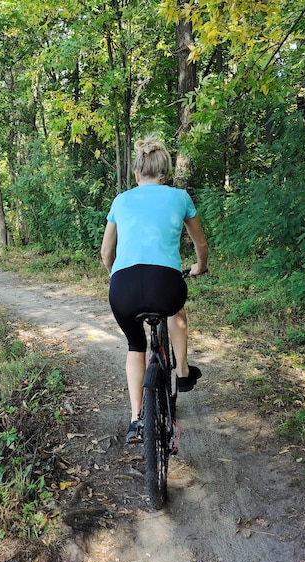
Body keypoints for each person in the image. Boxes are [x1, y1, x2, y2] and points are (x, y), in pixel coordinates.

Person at [101, 136, 209, 442]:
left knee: (136, 347)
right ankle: (183, 372)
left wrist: (116, 276)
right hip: (166, 283)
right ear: (166, 175)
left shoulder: (121, 200)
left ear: (136, 174)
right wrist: (199, 266)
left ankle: (136, 420)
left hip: (123, 288)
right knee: (176, 311)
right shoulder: (179, 197)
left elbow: (105, 253)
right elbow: (201, 244)